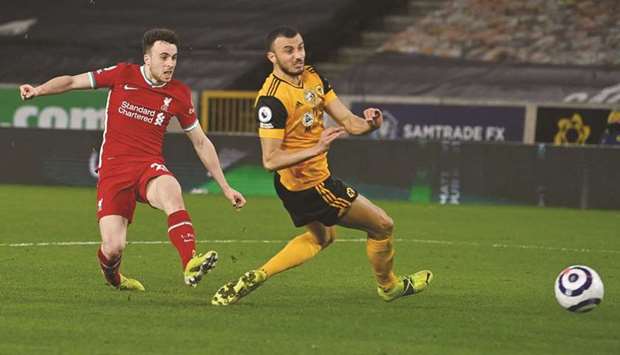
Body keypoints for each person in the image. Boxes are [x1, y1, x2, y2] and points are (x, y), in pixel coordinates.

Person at [211, 26, 432, 305]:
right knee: (383, 225)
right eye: (288, 51)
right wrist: (317, 148)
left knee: (322, 238)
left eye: (300, 48)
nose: (297, 55)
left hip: (293, 185)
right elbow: (270, 159)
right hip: (312, 185)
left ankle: (259, 274)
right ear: (272, 57)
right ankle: (389, 286)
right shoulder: (272, 100)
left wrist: (371, 124)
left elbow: (350, 122)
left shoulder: (312, 76)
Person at [19, 28, 246, 291]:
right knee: (113, 248)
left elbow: (201, 141)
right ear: (147, 59)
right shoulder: (123, 74)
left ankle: (190, 262)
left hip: (148, 166)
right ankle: (113, 276)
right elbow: (70, 82)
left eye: (174, 57)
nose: (170, 63)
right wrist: (37, 90)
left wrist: (225, 187)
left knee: (172, 190)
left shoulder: (179, 93)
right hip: (114, 170)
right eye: (164, 57)